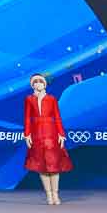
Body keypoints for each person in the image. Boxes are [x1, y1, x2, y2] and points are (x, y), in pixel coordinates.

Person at [22, 72, 73, 205]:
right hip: (37, 133)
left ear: (45, 84)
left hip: (51, 133)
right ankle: (49, 195)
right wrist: (27, 134)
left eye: (40, 81)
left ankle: (56, 194)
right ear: (32, 85)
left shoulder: (52, 99)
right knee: (41, 165)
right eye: (35, 82)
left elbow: (57, 117)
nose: (38, 84)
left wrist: (61, 134)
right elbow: (27, 118)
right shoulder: (29, 99)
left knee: (53, 165)